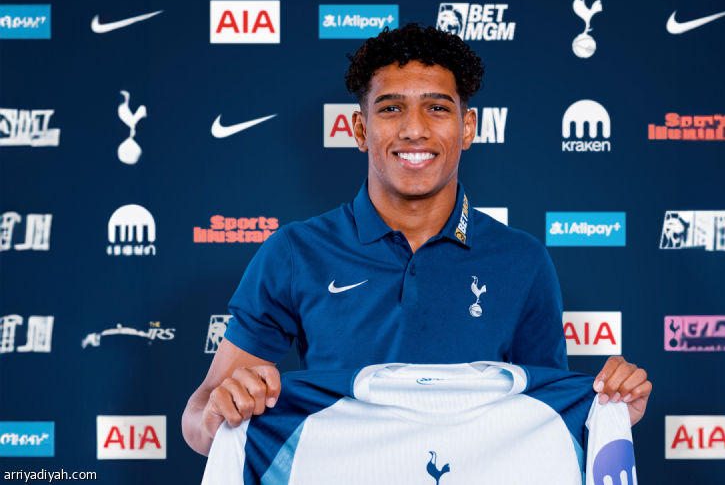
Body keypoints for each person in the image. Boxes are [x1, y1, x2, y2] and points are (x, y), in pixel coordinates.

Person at [182, 23, 651, 456]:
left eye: (437, 108)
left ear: (467, 128)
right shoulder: (294, 252)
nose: (414, 130)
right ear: (360, 129)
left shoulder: (522, 260)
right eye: (391, 109)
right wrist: (218, 414)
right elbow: (199, 417)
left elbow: (546, 421)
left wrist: (607, 412)